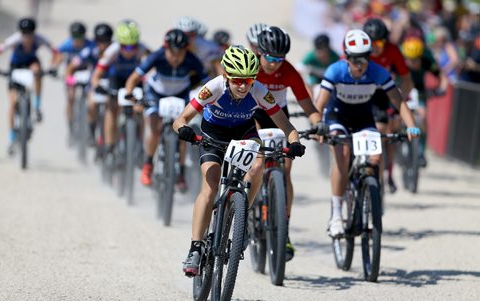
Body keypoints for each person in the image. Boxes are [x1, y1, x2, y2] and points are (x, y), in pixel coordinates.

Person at [173, 45, 306, 276]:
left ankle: (242, 217)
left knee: (257, 166)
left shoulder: (259, 90)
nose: (243, 86)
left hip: (244, 132)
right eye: (237, 81)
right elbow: (181, 119)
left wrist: (295, 142)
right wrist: (183, 130)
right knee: (211, 184)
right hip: (213, 134)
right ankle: (195, 247)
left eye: (248, 80)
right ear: (226, 76)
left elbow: (286, 126)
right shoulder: (213, 87)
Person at [311, 29, 419, 238]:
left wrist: (411, 126)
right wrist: (318, 127)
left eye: (364, 59)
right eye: (354, 59)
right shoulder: (336, 70)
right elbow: (319, 104)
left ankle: (369, 205)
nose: (359, 65)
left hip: (363, 118)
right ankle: (335, 215)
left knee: (376, 158)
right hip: (337, 116)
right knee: (341, 157)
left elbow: (398, 101)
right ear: (346, 57)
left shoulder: (378, 72)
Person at [253, 26, 324, 261]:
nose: (274, 63)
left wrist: (318, 123)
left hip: (278, 116)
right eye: (270, 57)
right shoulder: (250, 68)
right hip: (251, 116)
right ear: (259, 52)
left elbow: (307, 105)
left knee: (285, 172)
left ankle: (284, 230)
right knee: (254, 164)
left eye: (280, 58)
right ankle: (244, 211)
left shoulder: (289, 71)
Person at [124, 29, 207, 191]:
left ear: (186, 50)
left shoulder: (192, 60)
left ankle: (181, 173)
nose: (176, 57)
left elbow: (208, 83)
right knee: (154, 131)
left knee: (183, 133)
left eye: (180, 52)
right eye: (172, 52)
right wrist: (131, 96)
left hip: (180, 94)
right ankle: (148, 164)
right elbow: (133, 78)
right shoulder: (157, 56)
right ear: (166, 48)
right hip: (156, 94)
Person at [0, 17, 58, 154]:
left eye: (30, 34)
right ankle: (12, 137)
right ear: (20, 33)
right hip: (15, 66)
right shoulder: (14, 39)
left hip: (31, 63)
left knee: (37, 70)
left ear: (34, 33)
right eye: (24, 34)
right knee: (13, 103)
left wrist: (53, 65)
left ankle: (37, 106)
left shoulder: (39, 39)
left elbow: (56, 53)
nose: (27, 37)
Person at [363, 17, 414, 193]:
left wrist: (401, 103)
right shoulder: (360, 50)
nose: (376, 46)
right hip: (360, 93)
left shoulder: (393, 51)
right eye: (371, 42)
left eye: (380, 42)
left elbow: (406, 79)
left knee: (386, 131)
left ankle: (387, 171)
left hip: (384, 93)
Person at [90, 20, 149, 163]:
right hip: (116, 80)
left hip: (135, 82)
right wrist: (98, 85)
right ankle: (110, 147)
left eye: (132, 47)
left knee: (141, 109)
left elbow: (152, 72)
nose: (129, 51)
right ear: (119, 44)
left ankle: (140, 145)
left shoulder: (143, 50)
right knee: (111, 108)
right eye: (125, 47)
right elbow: (96, 75)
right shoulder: (112, 51)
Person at [401, 36, 448, 167]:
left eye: (416, 60)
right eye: (410, 60)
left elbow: (441, 76)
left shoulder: (427, 61)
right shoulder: (399, 62)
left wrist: (441, 89)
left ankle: (420, 151)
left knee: (422, 116)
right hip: (403, 87)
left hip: (419, 89)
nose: (413, 63)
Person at [66, 23, 114, 146]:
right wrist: (70, 80)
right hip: (95, 82)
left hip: (112, 82)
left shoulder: (115, 51)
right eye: (99, 40)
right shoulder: (90, 51)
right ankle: (92, 133)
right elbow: (72, 66)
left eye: (106, 40)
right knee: (91, 105)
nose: (102, 44)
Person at [56, 21, 95, 144]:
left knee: (92, 100)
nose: (77, 40)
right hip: (71, 73)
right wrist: (55, 66)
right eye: (75, 37)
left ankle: (90, 128)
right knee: (71, 97)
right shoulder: (67, 45)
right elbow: (57, 56)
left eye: (80, 37)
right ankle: (70, 128)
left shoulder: (90, 45)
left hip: (87, 73)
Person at [300, 33, 340, 98]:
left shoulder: (335, 57)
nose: (321, 55)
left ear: (329, 50)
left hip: (329, 80)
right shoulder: (310, 56)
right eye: (319, 52)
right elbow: (299, 69)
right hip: (314, 79)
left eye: (324, 51)